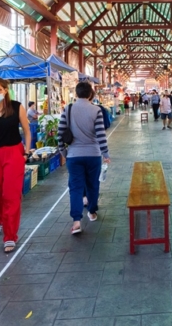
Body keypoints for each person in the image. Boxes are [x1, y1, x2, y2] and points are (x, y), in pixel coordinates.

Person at [0, 78, 32, 253]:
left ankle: (10, 235)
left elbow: (26, 129)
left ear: (5, 90)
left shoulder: (17, 107)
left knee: (11, 194)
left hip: (13, 153)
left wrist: (27, 150)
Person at [58, 82, 110, 235]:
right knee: (93, 184)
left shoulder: (68, 109)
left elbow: (60, 134)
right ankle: (92, 212)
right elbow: (101, 134)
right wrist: (105, 154)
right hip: (93, 155)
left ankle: (76, 222)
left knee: (75, 187)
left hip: (74, 155)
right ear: (90, 94)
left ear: (76, 93)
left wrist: (63, 152)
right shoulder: (97, 110)